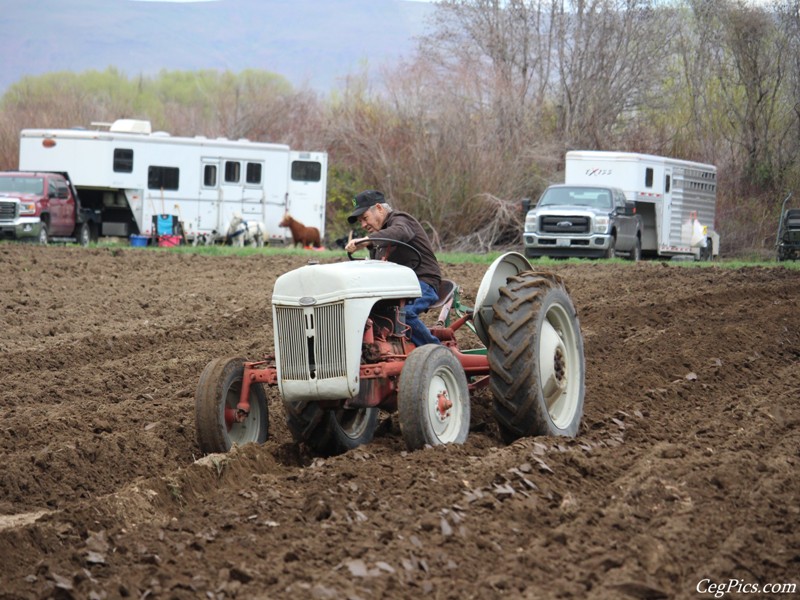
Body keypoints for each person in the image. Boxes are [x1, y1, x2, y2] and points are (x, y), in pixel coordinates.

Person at [345, 190, 442, 347]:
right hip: (398, 289)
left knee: (403, 315)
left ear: (379, 208)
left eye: (365, 218)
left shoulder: (401, 220)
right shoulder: (379, 241)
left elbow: (400, 232)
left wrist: (367, 240)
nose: (363, 224)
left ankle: (439, 353)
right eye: (360, 221)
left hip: (423, 283)